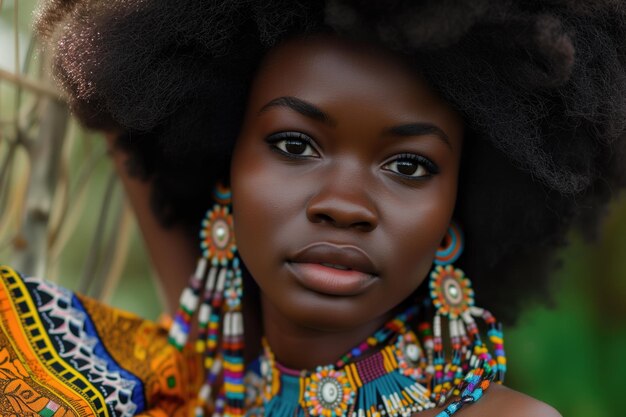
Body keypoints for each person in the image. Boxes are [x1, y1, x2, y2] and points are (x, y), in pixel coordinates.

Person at [1, 1, 625, 416]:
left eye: (409, 166)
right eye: (294, 144)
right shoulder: (200, 380)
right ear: (226, 173)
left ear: (450, 219)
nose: (344, 206)